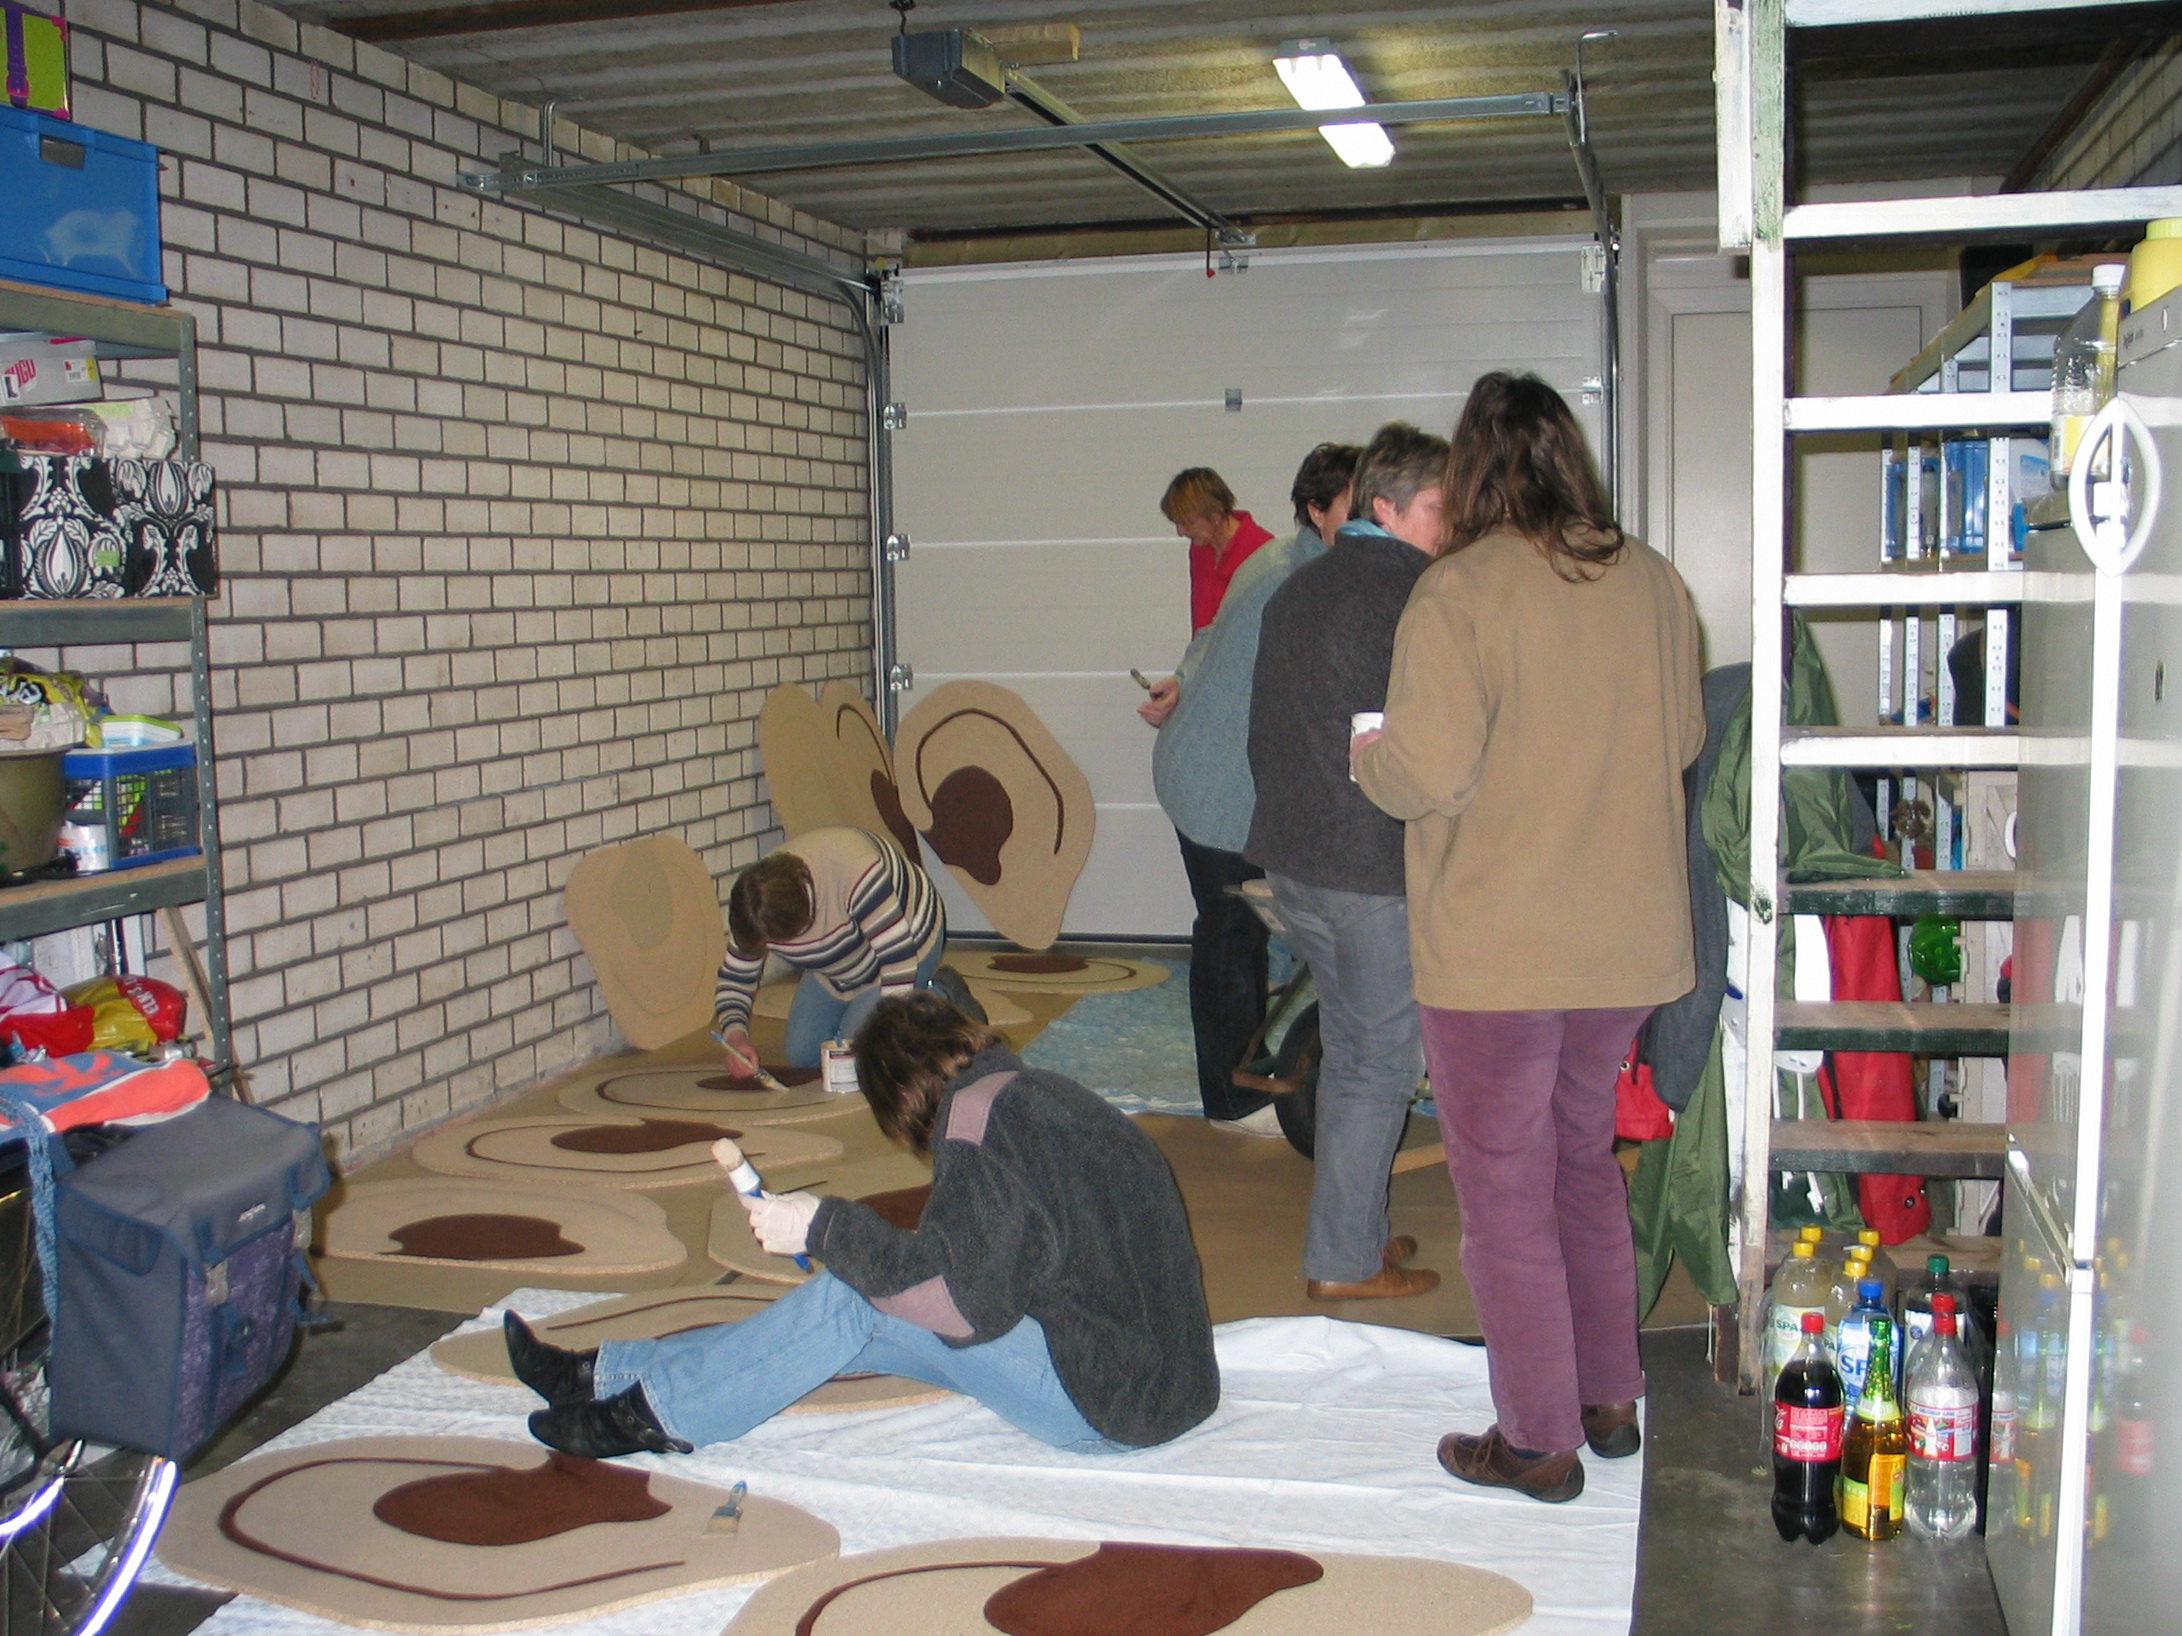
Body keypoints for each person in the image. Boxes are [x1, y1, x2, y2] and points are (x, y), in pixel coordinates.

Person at [1354, 372, 1704, 1504]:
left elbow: (1426, 771)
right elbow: (1683, 735)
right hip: (1624, 938)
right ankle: (1608, 1398)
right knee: (1583, 1166)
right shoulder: (1653, 580)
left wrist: (1368, 756)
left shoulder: (1457, 591)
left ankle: (1537, 1437)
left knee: (1504, 1194)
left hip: (1499, 948)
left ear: (1471, 472)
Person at [507, 992, 1221, 1457]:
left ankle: (652, 1417)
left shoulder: (976, 1124)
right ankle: (606, 1374)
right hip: (1167, 1377)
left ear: (900, 1098)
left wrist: (824, 1228)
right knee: (848, 1312)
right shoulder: (1038, 1092)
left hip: (1108, 1403)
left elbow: (962, 1306)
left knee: (852, 1297)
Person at [1247, 422, 1446, 1295]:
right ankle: (1343, 1262)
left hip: (1295, 858)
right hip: (1365, 866)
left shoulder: (1301, 586)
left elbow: (1266, 732)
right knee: (1377, 1065)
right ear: (1388, 507)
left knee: (1353, 1052)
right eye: (1439, 506)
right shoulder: (1415, 595)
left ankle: (1353, 1231)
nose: (1451, 524)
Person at [1139, 444, 1361, 1134]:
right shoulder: (1293, 578)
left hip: (1209, 764)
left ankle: (1238, 1079)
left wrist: (1184, 678)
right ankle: (1231, 1102)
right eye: (1357, 507)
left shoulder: (1279, 557)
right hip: (1215, 782)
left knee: (1234, 932)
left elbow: (1209, 635)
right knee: (1230, 935)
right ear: (1318, 511)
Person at [713, 825, 949, 1071]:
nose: (771, 948)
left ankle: (938, 998)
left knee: (858, 1055)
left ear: (805, 919)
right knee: (803, 1056)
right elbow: (735, 979)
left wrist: (888, 1035)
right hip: (840, 963)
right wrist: (736, 1038)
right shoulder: (754, 906)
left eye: (776, 943)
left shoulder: (855, 871)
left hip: (910, 941)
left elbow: (898, 962)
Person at [1160, 467, 1273, 634]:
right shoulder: (1199, 550)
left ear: (1216, 515)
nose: (1181, 532)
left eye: (1187, 523)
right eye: (1177, 523)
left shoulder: (1264, 553)